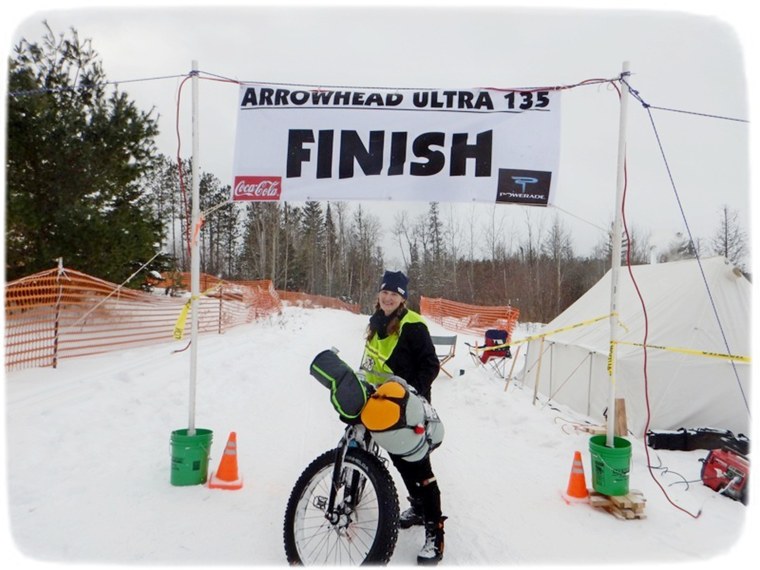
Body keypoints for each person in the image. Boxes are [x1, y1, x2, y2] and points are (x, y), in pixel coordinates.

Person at [361, 269, 447, 565]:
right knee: (399, 460)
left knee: (418, 468)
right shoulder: (375, 323)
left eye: (394, 294)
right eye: (384, 292)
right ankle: (420, 509)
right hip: (383, 406)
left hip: (409, 408)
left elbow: (431, 365)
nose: (387, 297)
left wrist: (414, 394)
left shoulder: (413, 326)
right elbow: (371, 362)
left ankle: (435, 532)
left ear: (402, 299)